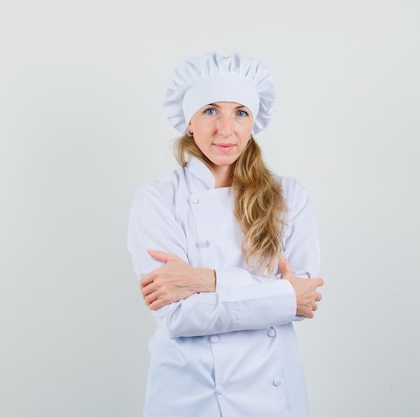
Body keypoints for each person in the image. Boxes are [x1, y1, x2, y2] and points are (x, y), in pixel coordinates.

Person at [126, 51, 325, 417]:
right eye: (211, 111)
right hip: (189, 393)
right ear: (189, 122)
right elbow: (179, 317)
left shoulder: (289, 196)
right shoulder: (157, 199)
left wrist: (204, 279)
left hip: (272, 395)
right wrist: (277, 295)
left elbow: (304, 300)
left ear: (253, 122)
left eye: (240, 113)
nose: (226, 129)